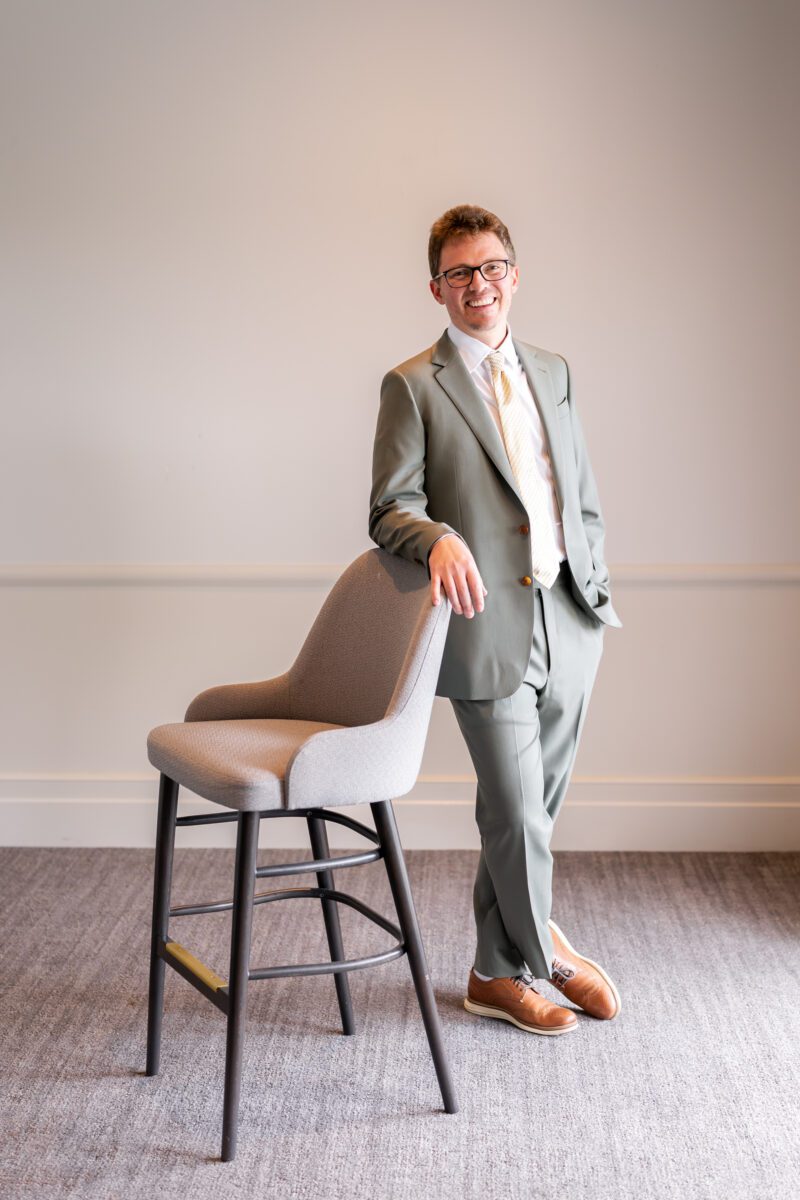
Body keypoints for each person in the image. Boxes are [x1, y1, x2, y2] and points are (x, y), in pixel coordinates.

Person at [369, 204, 623, 1036]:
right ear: (435, 288)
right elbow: (389, 507)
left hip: (571, 615)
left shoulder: (555, 371)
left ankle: (489, 974)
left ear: (513, 274)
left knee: (532, 815)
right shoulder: (413, 385)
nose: (478, 285)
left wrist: (595, 581)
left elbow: (578, 495)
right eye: (459, 273)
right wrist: (436, 536)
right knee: (513, 811)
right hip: (485, 624)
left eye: (491, 268)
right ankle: (545, 952)